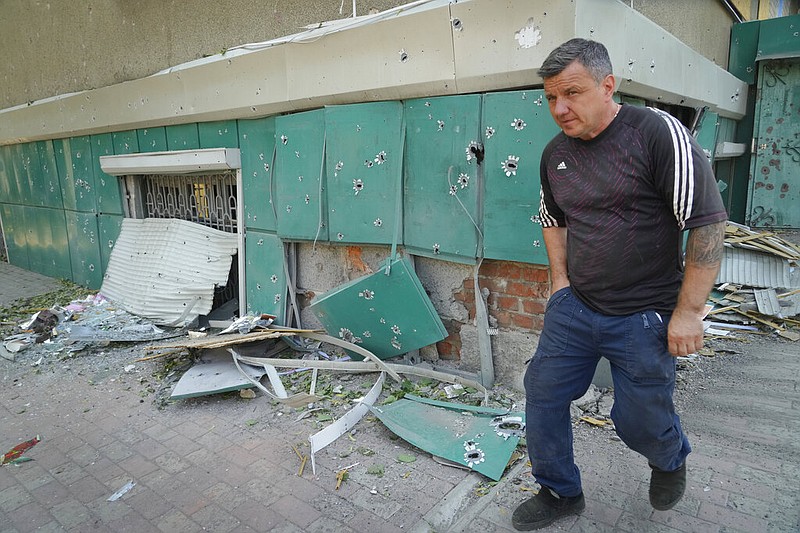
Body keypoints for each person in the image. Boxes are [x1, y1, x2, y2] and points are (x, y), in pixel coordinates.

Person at [512, 38, 727, 531]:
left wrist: (689, 312)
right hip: (577, 308)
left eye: (572, 93)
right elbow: (553, 218)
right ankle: (559, 491)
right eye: (549, 98)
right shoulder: (554, 155)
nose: (559, 108)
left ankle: (669, 457)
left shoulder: (657, 134)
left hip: (646, 314)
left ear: (608, 86)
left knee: (636, 421)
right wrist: (560, 283)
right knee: (542, 394)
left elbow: (707, 223)